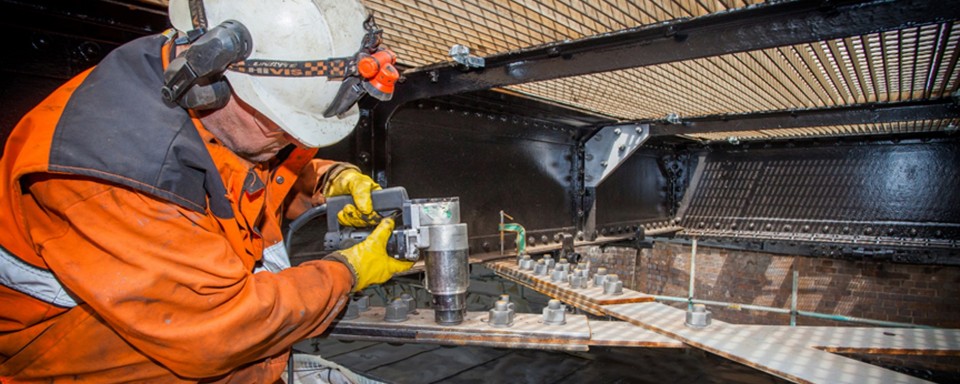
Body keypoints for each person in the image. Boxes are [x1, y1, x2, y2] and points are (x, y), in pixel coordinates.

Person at [0, 0, 412, 382]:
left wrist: (324, 180)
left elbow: (236, 177)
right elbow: (220, 329)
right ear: (208, 80)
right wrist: (346, 272)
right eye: (281, 125)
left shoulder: (212, 110)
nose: (291, 142)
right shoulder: (111, 174)